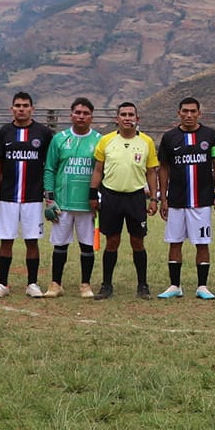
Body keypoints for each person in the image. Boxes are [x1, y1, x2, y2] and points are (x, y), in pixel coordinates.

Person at [92, 101, 161, 299]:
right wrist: (92, 193)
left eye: (131, 115)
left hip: (136, 197)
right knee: (112, 241)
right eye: (124, 114)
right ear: (117, 119)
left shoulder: (146, 142)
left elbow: (151, 171)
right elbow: (98, 170)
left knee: (137, 242)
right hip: (111, 196)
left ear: (137, 119)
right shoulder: (106, 141)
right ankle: (106, 286)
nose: (127, 118)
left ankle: (143, 286)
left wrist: (154, 199)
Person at [157, 96, 215, 299]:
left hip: (202, 201)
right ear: (179, 113)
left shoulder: (210, 135)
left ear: (199, 113)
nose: (189, 115)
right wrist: (163, 198)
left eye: (193, 111)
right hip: (176, 201)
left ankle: (202, 286)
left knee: (202, 242)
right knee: (174, 242)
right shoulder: (169, 137)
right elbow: (164, 168)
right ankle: (174, 285)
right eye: (185, 111)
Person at [0, 91, 50, 298]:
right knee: (6, 240)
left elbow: (48, 165)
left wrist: (48, 193)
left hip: (33, 197)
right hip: (8, 196)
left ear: (32, 108)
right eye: (17, 105)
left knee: (31, 240)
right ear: (12, 109)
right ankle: (2, 284)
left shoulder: (43, 133)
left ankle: (32, 283)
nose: (21, 109)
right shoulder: (4, 132)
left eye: (25, 105)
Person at [42, 96, 101, 298]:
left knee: (87, 244)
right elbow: (50, 169)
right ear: (71, 115)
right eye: (77, 112)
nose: (81, 116)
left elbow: (103, 171)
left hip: (87, 204)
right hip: (62, 203)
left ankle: (85, 284)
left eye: (85, 113)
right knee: (60, 244)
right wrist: (50, 199)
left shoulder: (99, 140)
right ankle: (55, 284)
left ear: (91, 117)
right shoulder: (59, 139)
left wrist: (98, 197)